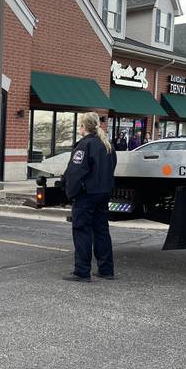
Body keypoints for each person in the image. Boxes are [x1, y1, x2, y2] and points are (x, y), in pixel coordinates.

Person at [61, 111, 117, 282]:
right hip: (103, 193)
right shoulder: (106, 144)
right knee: (101, 231)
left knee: (82, 231)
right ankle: (106, 270)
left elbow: (75, 172)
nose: (79, 127)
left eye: (80, 125)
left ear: (84, 127)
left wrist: (70, 193)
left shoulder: (85, 145)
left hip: (87, 195)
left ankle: (82, 271)